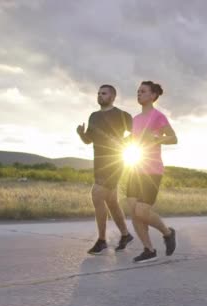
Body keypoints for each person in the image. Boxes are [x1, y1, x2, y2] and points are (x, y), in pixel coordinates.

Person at [76, 84, 134, 255]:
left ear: (113, 97)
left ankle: (102, 240)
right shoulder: (93, 116)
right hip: (99, 162)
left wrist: (123, 143)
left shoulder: (122, 115)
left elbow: (138, 132)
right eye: (98, 93)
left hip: (115, 162)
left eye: (104, 93)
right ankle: (125, 235)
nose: (100, 96)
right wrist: (81, 133)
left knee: (96, 194)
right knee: (111, 202)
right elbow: (89, 140)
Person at [127, 81, 177, 263]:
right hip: (134, 168)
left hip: (152, 170)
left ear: (153, 95)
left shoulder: (158, 116)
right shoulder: (135, 119)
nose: (139, 94)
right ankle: (149, 250)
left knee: (142, 211)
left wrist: (156, 138)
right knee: (133, 210)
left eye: (143, 91)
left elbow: (173, 138)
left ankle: (168, 232)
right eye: (138, 91)